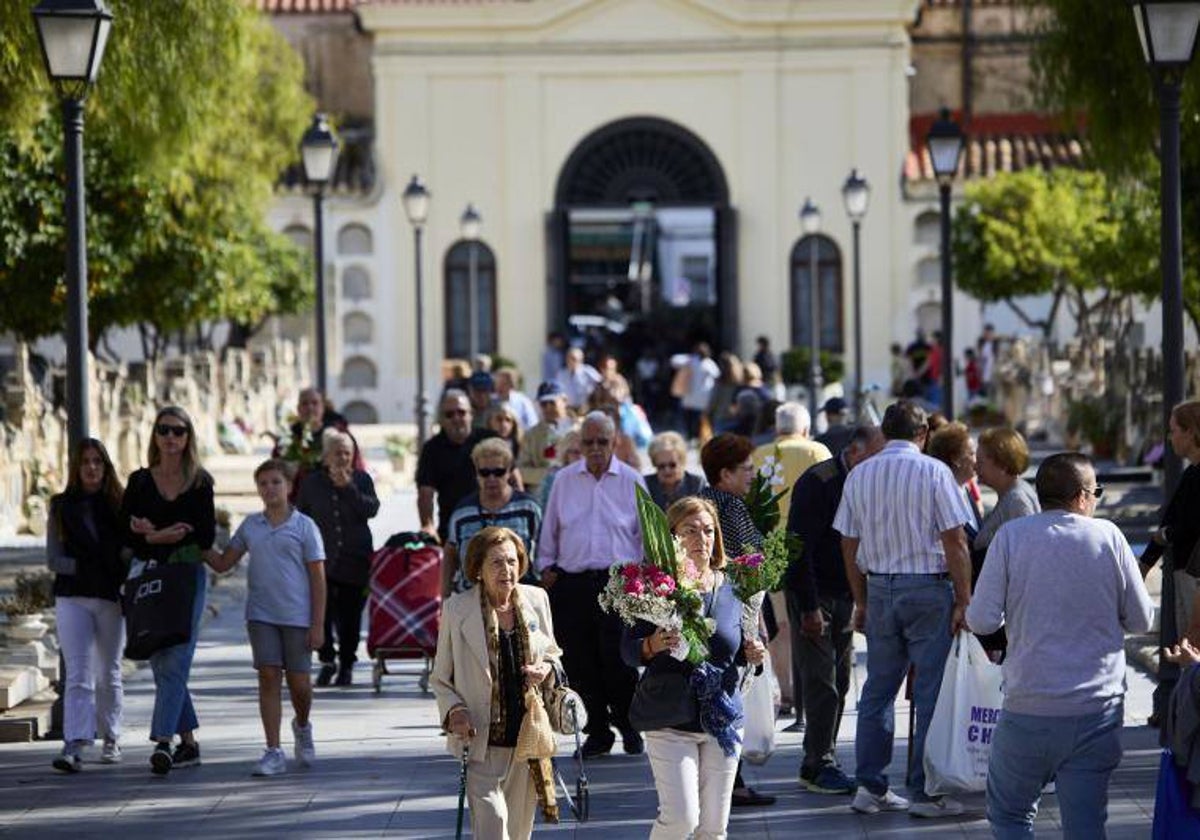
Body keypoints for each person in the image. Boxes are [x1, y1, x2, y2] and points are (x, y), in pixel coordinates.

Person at [967, 452, 1154, 838]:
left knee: (1011, 816)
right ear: (1083, 495)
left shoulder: (1012, 537)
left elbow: (981, 618)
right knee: (1086, 826)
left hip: (1028, 702)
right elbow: (1141, 620)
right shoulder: (1109, 537)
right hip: (1095, 708)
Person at [834, 399, 973, 817]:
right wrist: (964, 599)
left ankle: (869, 785)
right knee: (928, 691)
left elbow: (848, 542)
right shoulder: (935, 472)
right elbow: (955, 539)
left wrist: (860, 599)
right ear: (923, 433)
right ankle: (923, 791)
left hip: (879, 587)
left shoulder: (860, 474)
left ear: (885, 432)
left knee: (877, 690)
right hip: (927, 588)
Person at [621, 497, 766, 839]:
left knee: (714, 827)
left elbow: (741, 648)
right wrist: (652, 645)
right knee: (682, 819)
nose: (703, 538)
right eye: (691, 530)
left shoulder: (735, 585)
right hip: (671, 717)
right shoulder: (654, 586)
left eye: (709, 530)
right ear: (672, 536)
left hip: (723, 717)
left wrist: (754, 654)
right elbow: (627, 650)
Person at [432, 527, 562, 839]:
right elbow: (440, 678)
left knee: (518, 832)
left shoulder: (537, 599)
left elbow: (555, 654)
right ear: (477, 569)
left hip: (526, 737)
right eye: (497, 563)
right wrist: (456, 711)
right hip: (480, 740)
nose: (507, 570)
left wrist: (545, 668)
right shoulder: (456, 609)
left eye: (513, 561)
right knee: (492, 826)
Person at [206, 459, 327, 777]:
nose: (269, 489)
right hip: (261, 616)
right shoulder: (250, 526)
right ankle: (273, 750)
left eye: (276, 482)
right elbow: (223, 563)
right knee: (269, 676)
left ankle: (302, 725)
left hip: (298, 616)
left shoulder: (305, 527)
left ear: (288, 486)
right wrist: (197, 541)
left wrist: (318, 624)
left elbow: (318, 578)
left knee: (300, 684)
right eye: (263, 483)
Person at [537, 412, 646, 758]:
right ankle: (597, 730)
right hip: (573, 583)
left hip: (619, 584)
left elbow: (646, 537)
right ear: (579, 444)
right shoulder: (564, 480)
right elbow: (550, 529)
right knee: (581, 662)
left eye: (603, 441)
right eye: (589, 442)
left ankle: (630, 726)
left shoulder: (632, 480)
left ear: (614, 443)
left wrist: (643, 580)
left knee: (621, 662)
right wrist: (546, 568)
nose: (596, 448)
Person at [787, 425, 885, 795]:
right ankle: (816, 763)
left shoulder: (866, 480)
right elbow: (800, 549)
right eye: (877, 455)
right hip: (816, 596)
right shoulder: (820, 481)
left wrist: (862, 599)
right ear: (856, 452)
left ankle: (821, 752)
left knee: (841, 682)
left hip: (845, 594)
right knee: (821, 682)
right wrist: (810, 607)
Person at [120, 406, 215, 776]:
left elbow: (205, 534)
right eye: (164, 430)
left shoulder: (200, 482)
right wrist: (158, 534)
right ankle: (189, 744)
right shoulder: (140, 481)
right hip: (147, 575)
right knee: (161, 659)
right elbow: (125, 531)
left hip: (187, 576)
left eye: (178, 431)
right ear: (155, 436)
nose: (171, 437)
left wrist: (154, 534)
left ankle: (163, 741)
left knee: (176, 658)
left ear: (188, 437)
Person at [698, 433, 777, 808]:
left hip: (703, 613)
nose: (752, 475)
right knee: (730, 691)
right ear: (725, 473)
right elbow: (752, 565)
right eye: (746, 469)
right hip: (733, 613)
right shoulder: (729, 507)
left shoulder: (697, 503)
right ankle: (733, 780)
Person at [48, 438, 127, 773]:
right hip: (73, 595)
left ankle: (111, 736)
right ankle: (74, 742)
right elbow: (53, 558)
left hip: (111, 596)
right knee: (78, 673)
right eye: (85, 462)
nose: (92, 468)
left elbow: (130, 550)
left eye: (98, 461)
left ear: (106, 466)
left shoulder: (120, 505)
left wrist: (115, 564)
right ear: (76, 468)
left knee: (108, 672)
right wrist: (86, 566)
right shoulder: (61, 505)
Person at [296, 430, 380, 687]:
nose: (343, 457)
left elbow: (371, 509)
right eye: (337, 453)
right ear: (326, 456)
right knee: (323, 613)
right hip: (321, 559)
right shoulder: (312, 482)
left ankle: (346, 663)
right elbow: (302, 516)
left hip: (355, 558)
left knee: (351, 616)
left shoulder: (362, 479)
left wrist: (349, 489)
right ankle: (327, 660)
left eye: (347, 453)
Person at [444, 438, 542, 596]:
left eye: (498, 472)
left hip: (519, 599)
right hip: (471, 600)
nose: (491, 478)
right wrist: (444, 599)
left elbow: (544, 554)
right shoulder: (462, 513)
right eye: (484, 472)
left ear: (509, 471)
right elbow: (450, 553)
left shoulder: (529, 508)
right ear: (476, 472)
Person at [973, 427, 1039, 656]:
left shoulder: (1017, 501)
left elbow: (1026, 559)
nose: (975, 467)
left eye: (981, 461)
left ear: (1001, 463)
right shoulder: (1009, 495)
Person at [1140, 399, 1200, 644]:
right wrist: (1145, 564)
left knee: (1191, 648)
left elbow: (1189, 525)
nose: (1170, 437)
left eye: (1174, 430)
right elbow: (1172, 518)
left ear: (1190, 432)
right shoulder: (1191, 473)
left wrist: (1165, 536)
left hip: (1193, 576)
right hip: (1186, 572)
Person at [416, 389, 496, 544]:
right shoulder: (432, 449)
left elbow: (513, 476)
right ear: (442, 419)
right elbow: (425, 493)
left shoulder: (489, 440)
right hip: (453, 532)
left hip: (494, 527)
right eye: (449, 414)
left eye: (461, 412)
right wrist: (428, 526)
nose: (456, 418)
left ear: (471, 414)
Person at [517, 381, 575, 493]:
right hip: (544, 494)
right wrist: (548, 475)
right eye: (543, 404)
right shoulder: (532, 435)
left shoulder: (581, 429)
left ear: (564, 401)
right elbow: (521, 470)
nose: (548, 408)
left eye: (552, 402)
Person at [644, 431, 705, 511]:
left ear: (682, 462)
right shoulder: (645, 484)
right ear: (654, 464)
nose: (667, 470)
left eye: (672, 465)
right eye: (661, 466)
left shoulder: (696, 484)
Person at [674, 342, 720, 442]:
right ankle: (697, 437)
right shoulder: (709, 363)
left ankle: (692, 436)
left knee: (690, 418)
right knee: (698, 419)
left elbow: (674, 360)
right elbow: (717, 376)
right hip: (703, 396)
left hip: (690, 394)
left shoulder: (691, 361)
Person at [536, 429, 582, 512]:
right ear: (566, 455)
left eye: (584, 452)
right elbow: (544, 509)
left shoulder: (595, 478)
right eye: (576, 452)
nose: (581, 457)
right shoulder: (553, 478)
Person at [555, 346, 602, 412]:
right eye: (569, 358)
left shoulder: (588, 372)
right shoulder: (561, 374)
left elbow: (600, 384)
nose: (571, 361)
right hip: (568, 409)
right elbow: (558, 391)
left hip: (585, 408)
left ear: (580, 360)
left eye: (574, 359)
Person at [494, 367, 539, 432]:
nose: (499, 386)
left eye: (503, 383)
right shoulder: (492, 401)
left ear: (512, 384)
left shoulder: (523, 401)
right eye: (497, 383)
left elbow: (532, 424)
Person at [486, 401, 525, 469]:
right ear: (490, 422)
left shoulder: (520, 447)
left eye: (508, 420)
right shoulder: (482, 445)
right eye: (499, 419)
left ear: (514, 424)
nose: (503, 424)